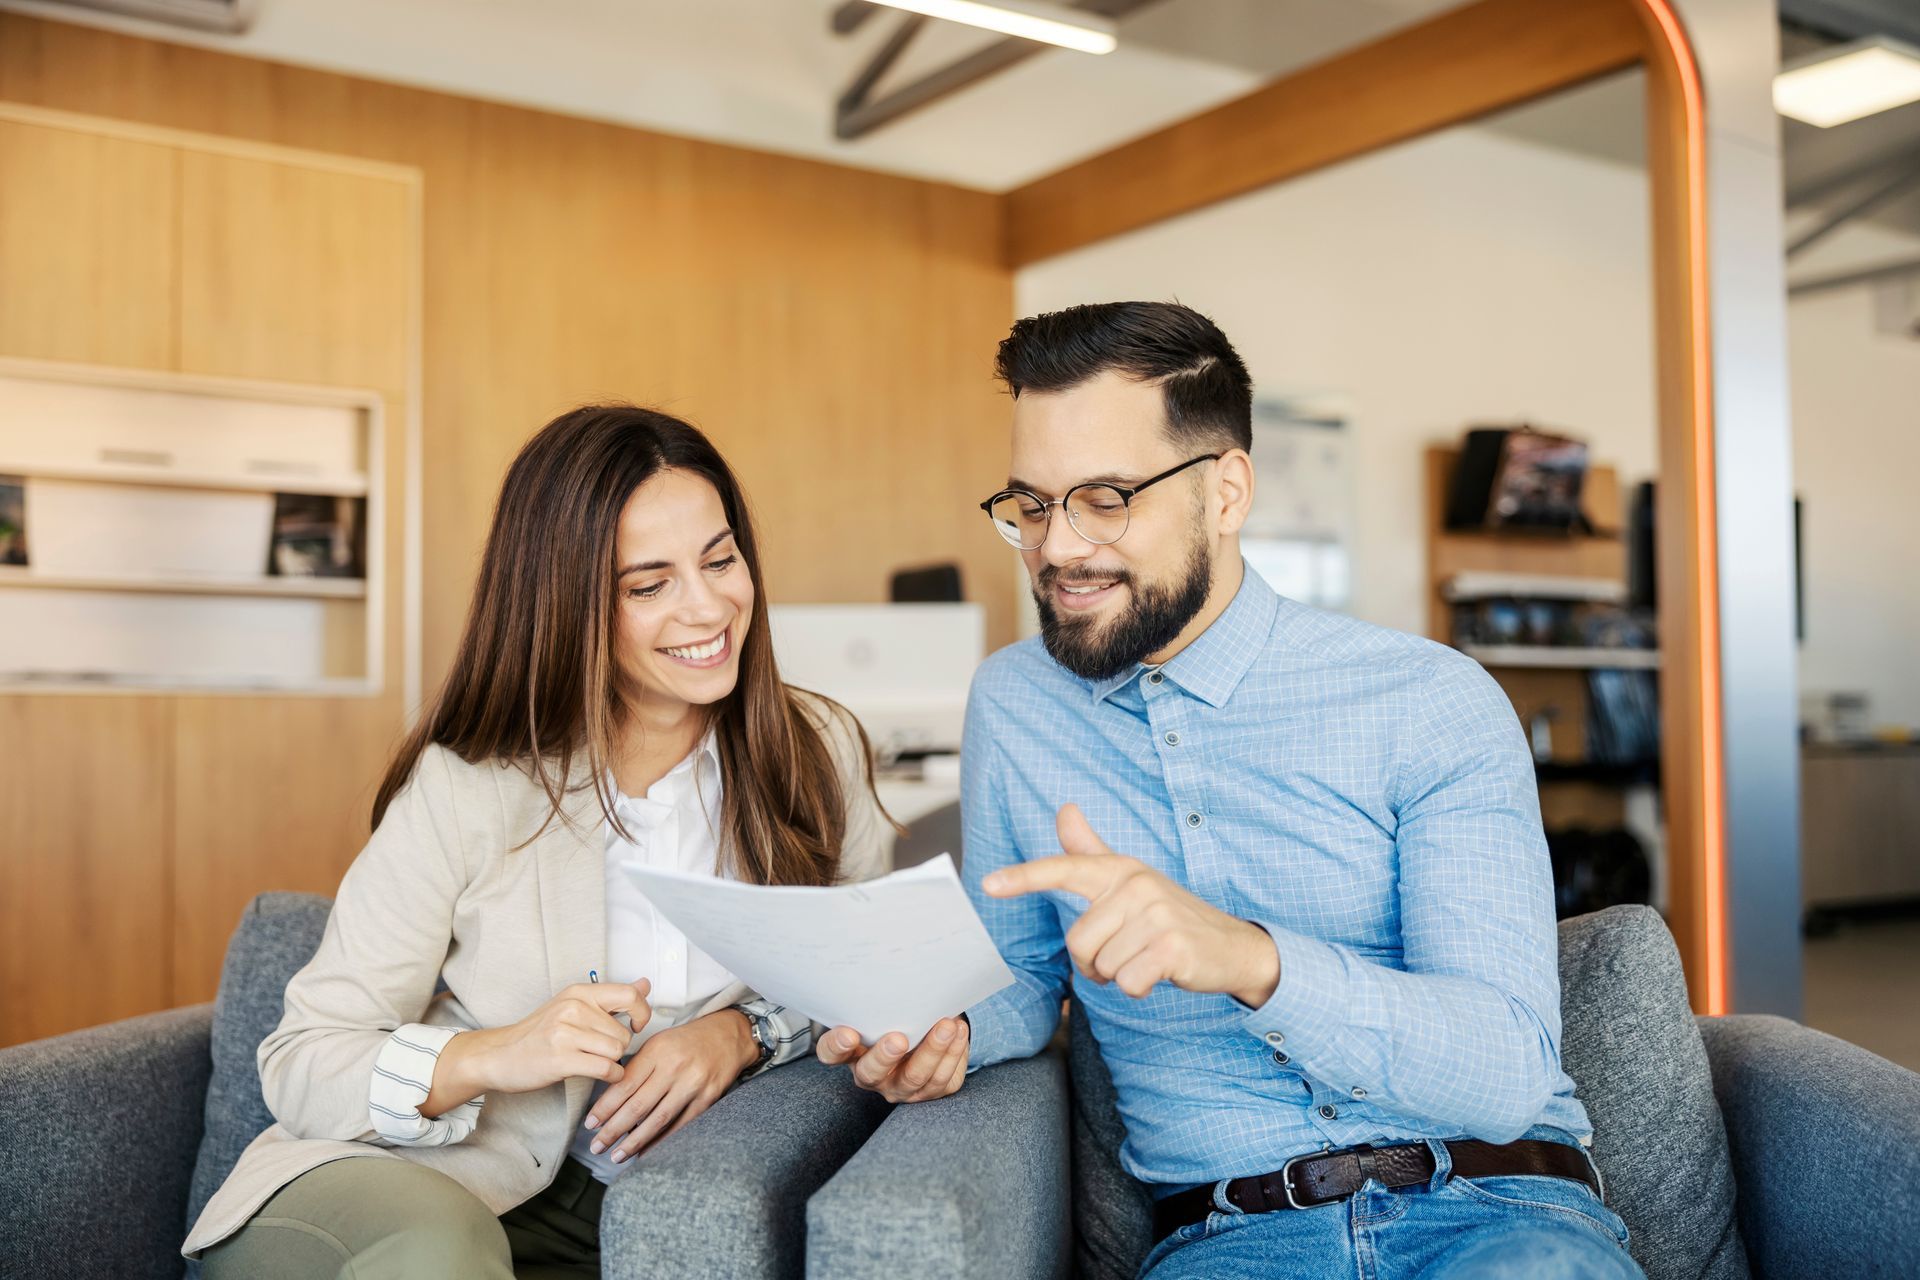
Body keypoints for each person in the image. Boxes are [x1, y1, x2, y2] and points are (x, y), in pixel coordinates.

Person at [819, 302, 1642, 1279]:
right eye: (1032, 505)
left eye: (1105, 497)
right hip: (1231, 1241)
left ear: (1227, 491)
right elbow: (1023, 975)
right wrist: (949, 1026)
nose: (1057, 548)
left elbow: (1504, 1072)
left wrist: (1251, 958)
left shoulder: (1429, 698)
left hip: (1496, 1208)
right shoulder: (1017, 702)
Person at [186, 405, 892, 1277]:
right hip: (400, 1189)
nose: (709, 607)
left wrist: (742, 1033)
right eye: (648, 584)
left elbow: (870, 972)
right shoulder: (469, 783)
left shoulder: (817, 750)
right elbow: (303, 1062)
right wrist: (497, 1053)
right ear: (565, 601)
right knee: (442, 1252)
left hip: (630, 1213)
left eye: (720, 559)